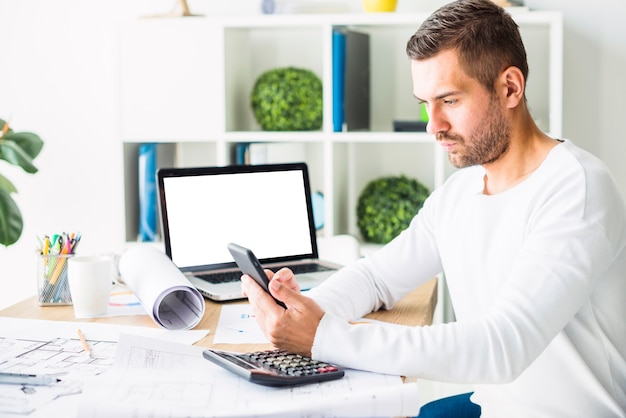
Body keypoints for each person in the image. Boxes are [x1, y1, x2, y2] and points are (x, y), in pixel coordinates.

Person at [241, 0, 626, 416]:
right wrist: (304, 313)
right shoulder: (459, 194)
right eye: (425, 103)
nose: (432, 124)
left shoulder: (576, 188)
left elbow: (501, 347)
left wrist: (322, 337)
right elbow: (377, 278)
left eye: (450, 100)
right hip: (492, 406)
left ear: (510, 88)